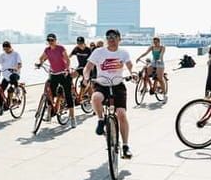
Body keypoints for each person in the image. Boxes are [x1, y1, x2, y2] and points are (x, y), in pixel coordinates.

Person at [84, 29, 137, 159]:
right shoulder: (98, 52)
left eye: (114, 37)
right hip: (102, 85)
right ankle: (101, 120)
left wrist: (133, 73)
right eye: (108, 37)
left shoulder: (123, 52)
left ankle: (125, 146)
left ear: (119, 38)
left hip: (118, 85)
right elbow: (88, 67)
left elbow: (130, 65)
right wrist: (86, 77)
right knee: (95, 97)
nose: (111, 39)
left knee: (121, 114)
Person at [36, 33, 76, 128]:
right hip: (53, 74)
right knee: (50, 93)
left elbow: (67, 60)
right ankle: (49, 113)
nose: (50, 42)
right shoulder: (47, 50)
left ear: (55, 40)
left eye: (52, 40)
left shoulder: (60, 48)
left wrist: (67, 69)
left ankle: (72, 118)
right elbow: (41, 58)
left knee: (68, 94)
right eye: (49, 40)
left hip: (63, 74)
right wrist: (40, 63)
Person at [0, 41, 22, 114]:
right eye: (4, 49)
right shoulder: (2, 55)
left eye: (7, 49)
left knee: (11, 83)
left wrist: (16, 68)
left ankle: (17, 91)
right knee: (1, 91)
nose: (6, 51)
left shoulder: (16, 54)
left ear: (10, 47)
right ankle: (2, 108)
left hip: (14, 74)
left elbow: (19, 64)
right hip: (6, 76)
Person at [70, 36, 93, 102]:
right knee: (69, 77)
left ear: (84, 43)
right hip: (80, 68)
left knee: (84, 83)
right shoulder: (76, 49)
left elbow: (93, 60)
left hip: (88, 69)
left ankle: (82, 97)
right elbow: (69, 57)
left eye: (81, 43)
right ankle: (74, 93)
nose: (80, 45)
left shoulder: (88, 50)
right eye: (78, 43)